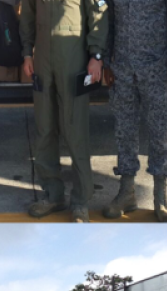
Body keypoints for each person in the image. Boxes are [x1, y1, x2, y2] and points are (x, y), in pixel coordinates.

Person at [19, 0, 109, 223]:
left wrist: (96, 55)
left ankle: (80, 201)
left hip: (72, 58)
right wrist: (27, 52)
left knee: (75, 129)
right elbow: (28, 13)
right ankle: (52, 194)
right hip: (42, 60)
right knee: (44, 127)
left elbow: (98, 12)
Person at [101, 0, 167, 223]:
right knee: (124, 130)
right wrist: (107, 60)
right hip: (123, 67)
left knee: (160, 132)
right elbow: (108, 19)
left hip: (157, 66)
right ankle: (126, 191)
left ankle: (160, 196)